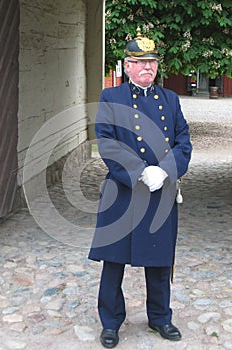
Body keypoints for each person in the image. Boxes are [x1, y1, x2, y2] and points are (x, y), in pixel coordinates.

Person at [88, 27, 192, 348]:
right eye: (140, 62)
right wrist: (137, 171)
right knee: (114, 260)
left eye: (152, 62)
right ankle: (110, 322)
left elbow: (183, 141)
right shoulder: (111, 97)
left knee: (159, 259)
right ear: (127, 65)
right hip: (123, 191)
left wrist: (164, 171)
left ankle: (160, 317)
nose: (147, 67)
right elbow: (106, 141)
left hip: (160, 193)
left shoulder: (170, 100)